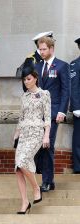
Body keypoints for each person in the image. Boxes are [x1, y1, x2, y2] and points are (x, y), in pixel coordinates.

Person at [14, 66, 51, 214]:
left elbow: (47, 117)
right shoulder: (24, 96)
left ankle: (36, 188)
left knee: (22, 162)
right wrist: (16, 133)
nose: (26, 82)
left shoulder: (44, 94)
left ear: (35, 78)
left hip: (36, 133)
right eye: (24, 79)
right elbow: (21, 117)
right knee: (18, 169)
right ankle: (24, 202)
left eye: (28, 79)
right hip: (23, 135)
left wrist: (46, 135)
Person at [36, 36, 70, 192]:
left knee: (47, 145)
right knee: (41, 146)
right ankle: (49, 180)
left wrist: (62, 111)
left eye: (44, 49)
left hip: (54, 112)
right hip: (39, 113)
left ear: (51, 49)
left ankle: (47, 181)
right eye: (40, 49)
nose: (41, 52)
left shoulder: (62, 66)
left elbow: (66, 91)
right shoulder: (37, 67)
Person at [70, 37, 80, 173]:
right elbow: (74, 87)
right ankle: (78, 167)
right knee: (79, 139)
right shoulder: (75, 64)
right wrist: (76, 106)